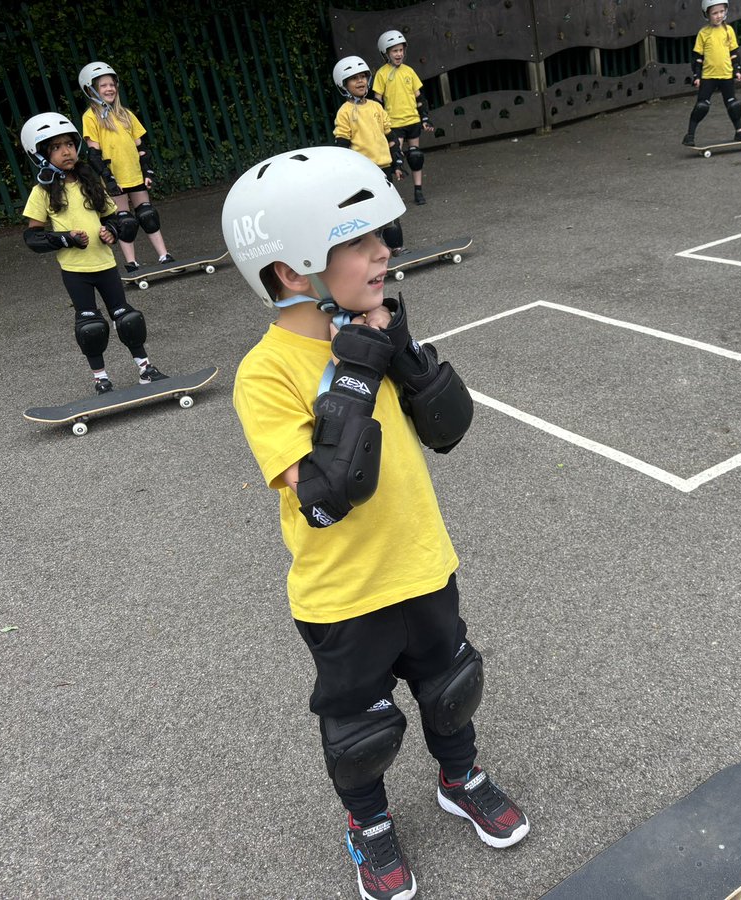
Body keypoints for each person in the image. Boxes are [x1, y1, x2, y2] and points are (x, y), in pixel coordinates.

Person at [224, 146, 529, 900]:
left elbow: (448, 428)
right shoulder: (266, 373)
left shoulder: (374, 326)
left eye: (380, 237)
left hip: (422, 561)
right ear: (293, 270)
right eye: (358, 242)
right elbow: (326, 496)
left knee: (450, 686)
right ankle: (369, 824)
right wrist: (356, 368)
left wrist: (407, 360)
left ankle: (461, 778)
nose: (383, 252)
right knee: (360, 733)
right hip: (343, 591)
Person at [19, 112, 166, 395]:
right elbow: (33, 237)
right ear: (39, 155)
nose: (66, 151)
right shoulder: (42, 192)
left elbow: (115, 217)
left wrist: (110, 230)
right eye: (56, 147)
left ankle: (146, 369)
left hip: (105, 263)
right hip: (76, 272)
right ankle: (101, 379)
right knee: (90, 326)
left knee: (127, 318)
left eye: (70, 144)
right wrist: (65, 239)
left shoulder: (91, 180)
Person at [78, 61, 174, 272]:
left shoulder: (126, 115)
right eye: (103, 85)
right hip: (114, 177)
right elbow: (93, 153)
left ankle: (164, 256)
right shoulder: (91, 117)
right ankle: (132, 263)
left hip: (135, 174)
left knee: (147, 214)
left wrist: (147, 170)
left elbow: (142, 148)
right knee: (125, 221)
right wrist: (108, 178)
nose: (109, 88)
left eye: (112, 84)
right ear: (90, 89)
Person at [332, 56, 407, 255]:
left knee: (390, 210)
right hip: (362, 172)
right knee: (368, 214)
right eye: (353, 78)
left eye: (363, 76)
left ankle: (396, 247)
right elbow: (342, 146)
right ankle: (372, 253)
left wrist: (398, 163)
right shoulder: (345, 112)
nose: (360, 81)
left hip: (384, 169)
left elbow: (390, 137)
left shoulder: (376, 107)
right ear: (343, 84)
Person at [372, 31, 433, 206]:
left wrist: (425, 118)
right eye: (394, 51)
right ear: (386, 53)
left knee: (415, 156)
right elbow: (377, 101)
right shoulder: (382, 74)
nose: (398, 54)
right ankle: (392, 196)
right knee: (393, 159)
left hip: (412, 120)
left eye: (400, 50)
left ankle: (418, 190)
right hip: (394, 123)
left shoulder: (409, 71)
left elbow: (419, 98)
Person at [681, 0, 741, 147]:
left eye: (721, 11)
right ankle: (690, 135)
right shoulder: (703, 33)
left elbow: (734, 53)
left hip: (726, 75)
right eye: (714, 13)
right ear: (706, 14)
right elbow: (698, 58)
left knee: (733, 104)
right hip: (708, 77)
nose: (719, 15)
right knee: (702, 106)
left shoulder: (728, 31)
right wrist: (697, 76)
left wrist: (737, 70)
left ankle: (739, 131)